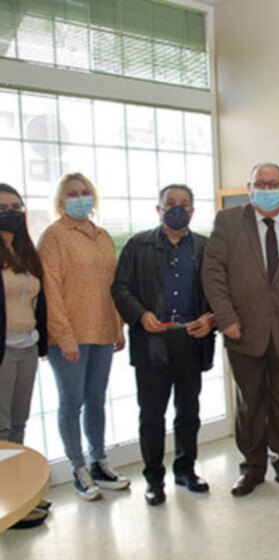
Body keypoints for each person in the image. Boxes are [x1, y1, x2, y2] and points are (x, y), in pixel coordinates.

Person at [202, 162, 279, 496]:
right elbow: (213, 272)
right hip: (242, 330)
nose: (267, 188)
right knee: (250, 403)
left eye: (274, 183)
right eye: (261, 183)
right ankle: (252, 468)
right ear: (249, 187)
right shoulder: (229, 221)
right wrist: (226, 317)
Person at [111, 184, 216, 506]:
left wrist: (211, 318)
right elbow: (120, 287)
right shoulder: (137, 245)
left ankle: (186, 470)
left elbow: (219, 289)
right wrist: (140, 315)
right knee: (152, 414)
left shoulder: (205, 247)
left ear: (193, 211)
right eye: (170, 203)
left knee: (189, 411)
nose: (178, 208)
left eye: (185, 203)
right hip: (151, 340)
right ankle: (154, 478)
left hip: (191, 338)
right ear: (158, 209)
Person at [38, 172, 129, 501]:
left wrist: (117, 327)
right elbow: (51, 290)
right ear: (61, 201)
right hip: (69, 337)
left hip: (102, 332)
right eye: (72, 193)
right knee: (71, 403)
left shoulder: (102, 236)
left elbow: (113, 286)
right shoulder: (54, 236)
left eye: (85, 191)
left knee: (96, 401)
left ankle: (99, 461)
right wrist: (64, 337)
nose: (80, 197)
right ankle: (78, 468)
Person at [0, 183, 49, 528]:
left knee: (18, 423)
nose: (12, 212)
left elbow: (37, 301)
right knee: (0, 428)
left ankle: (19, 493)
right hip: (2, 350)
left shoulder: (25, 251)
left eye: (17, 206)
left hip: (27, 346)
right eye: (4, 206)